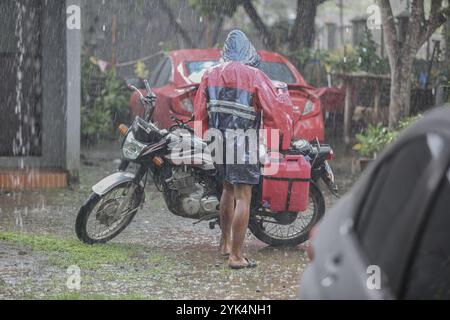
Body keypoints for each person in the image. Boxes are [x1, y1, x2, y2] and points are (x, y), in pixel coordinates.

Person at [194, 30, 293, 269]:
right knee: (243, 197)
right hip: (244, 141)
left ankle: (224, 244)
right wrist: (277, 141)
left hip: (218, 140)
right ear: (249, 51)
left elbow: (199, 112)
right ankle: (236, 257)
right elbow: (274, 111)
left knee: (226, 190)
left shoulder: (210, 74)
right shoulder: (255, 75)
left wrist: (203, 136)